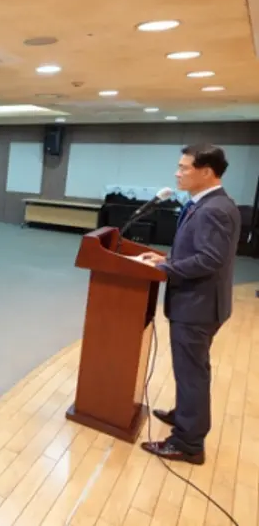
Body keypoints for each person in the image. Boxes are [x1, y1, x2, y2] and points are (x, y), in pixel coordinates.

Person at [138, 144, 241, 465]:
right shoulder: (209, 203)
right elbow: (197, 251)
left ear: (206, 172)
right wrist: (167, 259)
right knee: (191, 370)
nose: (177, 173)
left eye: (184, 168)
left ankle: (188, 443)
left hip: (198, 306)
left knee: (192, 372)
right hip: (199, 303)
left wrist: (165, 269)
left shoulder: (214, 210)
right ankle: (185, 414)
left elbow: (209, 260)